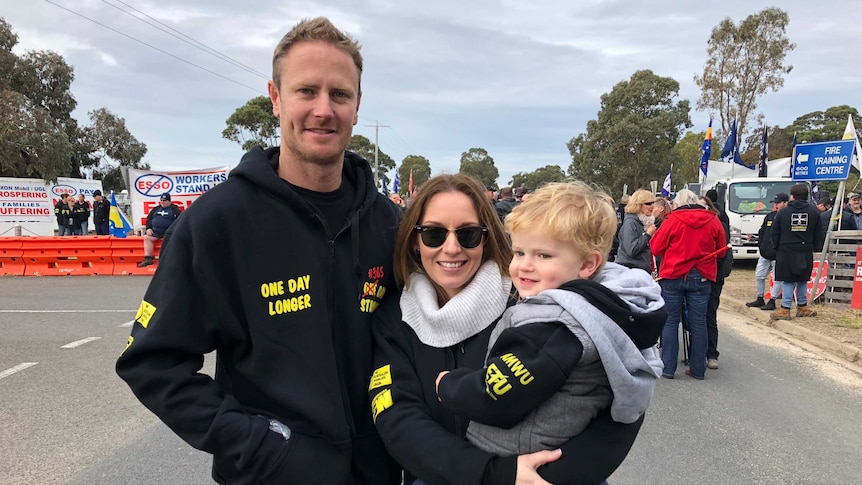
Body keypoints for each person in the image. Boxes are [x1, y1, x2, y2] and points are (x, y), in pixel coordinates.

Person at [116, 17, 402, 484]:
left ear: (357, 105)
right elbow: (151, 363)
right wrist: (259, 444)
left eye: (340, 94)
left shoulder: (389, 223)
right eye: (306, 91)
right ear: (275, 98)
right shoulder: (216, 222)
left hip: (379, 472)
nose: (323, 110)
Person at [370, 174, 647, 485]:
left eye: (468, 234)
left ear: (487, 237)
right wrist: (491, 474)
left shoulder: (537, 300)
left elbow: (621, 399)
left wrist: (556, 475)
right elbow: (397, 414)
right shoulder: (395, 315)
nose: (451, 248)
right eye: (433, 234)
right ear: (414, 240)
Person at [434, 182, 665, 458]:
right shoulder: (601, 304)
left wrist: (448, 385)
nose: (524, 265)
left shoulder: (557, 326)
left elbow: (498, 395)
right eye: (519, 252)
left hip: (517, 453)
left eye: (543, 255)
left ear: (586, 265)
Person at [650, 189, 727, 380]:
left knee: (670, 321)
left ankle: (668, 368)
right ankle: (698, 369)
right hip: (702, 275)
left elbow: (656, 247)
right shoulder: (712, 219)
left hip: (674, 275)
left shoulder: (672, 220)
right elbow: (722, 251)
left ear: (678, 203)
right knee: (699, 322)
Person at [770, 183, 824, 320]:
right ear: (806, 196)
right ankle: (802, 307)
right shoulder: (814, 212)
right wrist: (813, 246)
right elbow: (819, 234)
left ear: (792, 196)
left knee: (788, 280)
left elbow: (775, 233)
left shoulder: (783, 212)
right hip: (805, 249)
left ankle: (785, 309)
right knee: (802, 279)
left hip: (786, 249)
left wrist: (776, 248)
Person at [702, 190, 731, 370]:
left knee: (709, 315)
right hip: (703, 274)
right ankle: (699, 351)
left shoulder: (717, 223)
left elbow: (723, 251)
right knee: (700, 316)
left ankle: (711, 353)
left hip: (713, 275)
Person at [747, 194, 788, 311]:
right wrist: (762, 246)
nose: (776, 205)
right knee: (759, 275)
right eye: (775, 202)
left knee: (777, 279)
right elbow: (762, 232)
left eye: (778, 202)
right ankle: (760, 297)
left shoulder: (786, 217)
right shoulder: (770, 216)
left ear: (785, 203)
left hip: (778, 254)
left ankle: (773, 300)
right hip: (765, 253)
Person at [615, 189, 656, 273]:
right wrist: (647, 234)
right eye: (648, 203)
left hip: (640, 270)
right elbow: (632, 250)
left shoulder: (644, 222)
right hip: (631, 272)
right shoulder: (630, 223)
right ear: (638, 205)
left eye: (653, 203)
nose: (652, 206)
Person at [136, 193, 182, 267]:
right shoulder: (156, 209)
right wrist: (148, 228)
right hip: (156, 232)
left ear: (169, 201)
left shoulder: (174, 209)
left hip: (168, 233)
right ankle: (148, 259)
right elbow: (149, 219)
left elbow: (181, 220)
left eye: (164, 200)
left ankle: (170, 260)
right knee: (147, 238)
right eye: (161, 200)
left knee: (172, 240)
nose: (162, 202)